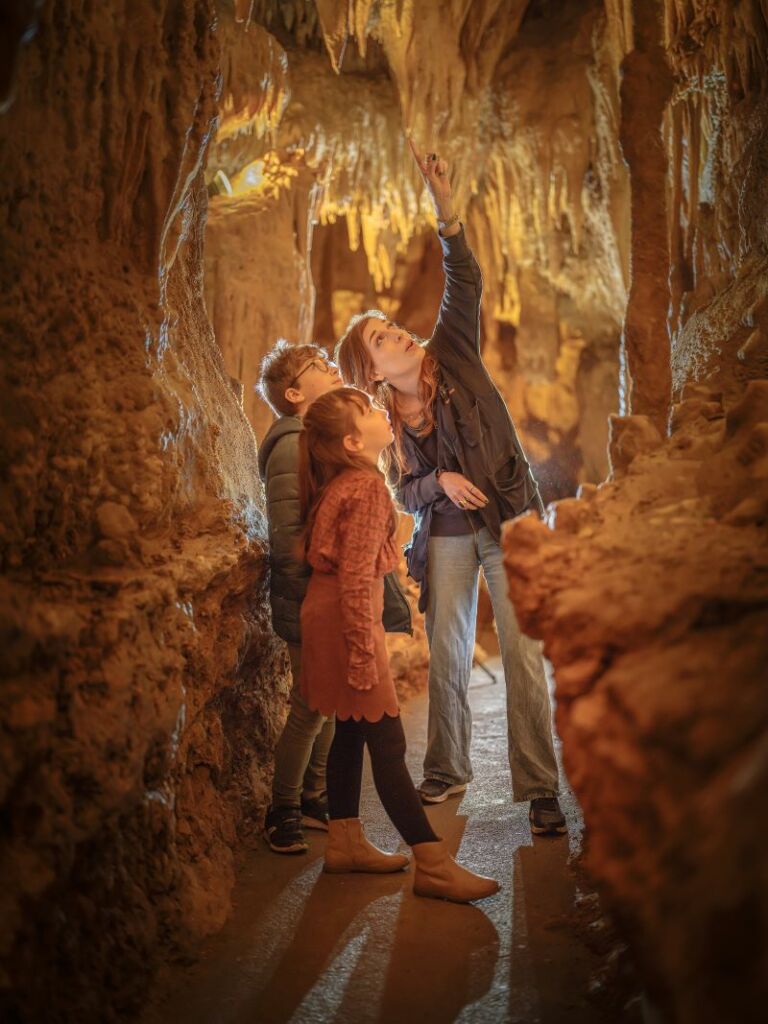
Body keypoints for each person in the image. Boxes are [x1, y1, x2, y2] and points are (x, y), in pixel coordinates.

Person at [335, 141, 566, 836]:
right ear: (373, 371)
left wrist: (443, 202)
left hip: (510, 517)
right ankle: (446, 769)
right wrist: (439, 478)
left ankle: (540, 787)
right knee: (447, 653)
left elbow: (464, 278)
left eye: (393, 328)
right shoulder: (385, 423)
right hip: (446, 535)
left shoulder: (454, 354)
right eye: (382, 339)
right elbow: (405, 494)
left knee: (522, 649)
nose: (399, 335)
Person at [299, 386, 499, 901]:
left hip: (326, 614)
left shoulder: (344, 481)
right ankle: (433, 864)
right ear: (351, 441)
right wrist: (363, 654)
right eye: (367, 410)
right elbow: (354, 580)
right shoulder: (365, 487)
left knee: (350, 730)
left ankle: (344, 843)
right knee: (388, 745)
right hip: (346, 619)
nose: (379, 410)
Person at [257, 340, 412, 854]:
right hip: (312, 598)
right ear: (294, 392)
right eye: (317, 366)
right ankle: (283, 808)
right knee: (311, 706)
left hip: (325, 596)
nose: (330, 367)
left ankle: (314, 796)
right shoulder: (291, 445)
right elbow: (290, 534)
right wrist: (317, 604)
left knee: (328, 705)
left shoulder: (315, 445)